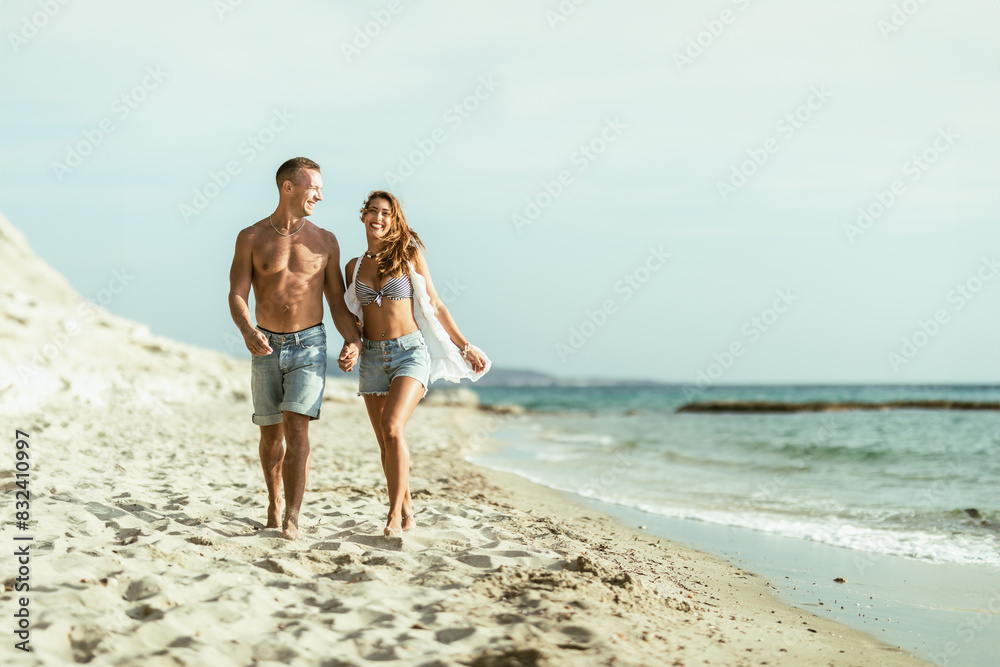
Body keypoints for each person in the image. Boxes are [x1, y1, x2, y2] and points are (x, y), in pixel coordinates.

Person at [228, 157, 361, 540]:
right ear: (289, 187)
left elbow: (337, 301)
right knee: (271, 434)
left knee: (298, 429)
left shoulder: (325, 241)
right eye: (313, 187)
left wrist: (352, 339)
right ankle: (272, 502)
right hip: (265, 344)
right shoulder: (251, 237)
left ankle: (292, 516)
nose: (319, 195)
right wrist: (246, 329)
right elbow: (237, 293)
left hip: (310, 344)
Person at [344, 190, 489, 537]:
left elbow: (435, 305)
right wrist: (351, 344)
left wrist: (464, 346)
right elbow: (354, 316)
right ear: (363, 215)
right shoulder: (353, 266)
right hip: (372, 357)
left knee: (393, 427)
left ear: (394, 221)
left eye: (386, 214)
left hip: (410, 352)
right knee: (385, 442)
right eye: (374, 212)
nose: (379, 219)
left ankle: (394, 515)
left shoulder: (408, 255)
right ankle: (407, 510)